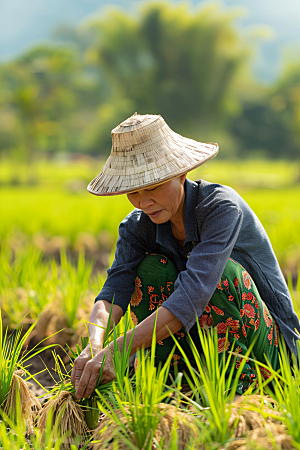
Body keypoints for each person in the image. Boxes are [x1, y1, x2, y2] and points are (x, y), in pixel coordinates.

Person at [71, 113, 300, 400]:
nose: (144, 202)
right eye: (133, 192)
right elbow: (114, 291)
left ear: (181, 174)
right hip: (196, 350)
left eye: (153, 187)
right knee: (151, 269)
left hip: (264, 350)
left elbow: (193, 295)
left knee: (223, 275)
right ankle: (167, 384)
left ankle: (234, 393)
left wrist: (118, 348)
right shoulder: (137, 225)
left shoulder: (220, 208)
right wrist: (94, 343)